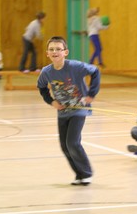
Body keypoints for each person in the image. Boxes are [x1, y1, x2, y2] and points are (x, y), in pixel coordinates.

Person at [37, 36, 100, 186]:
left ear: (65, 52)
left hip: (79, 110)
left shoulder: (76, 67)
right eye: (51, 49)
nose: (55, 52)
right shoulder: (46, 72)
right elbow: (42, 88)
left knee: (72, 142)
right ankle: (79, 174)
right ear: (47, 53)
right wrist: (52, 102)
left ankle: (86, 173)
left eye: (58, 49)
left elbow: (95, 71)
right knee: (64, 145)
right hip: (63, 112)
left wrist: (91, 94)